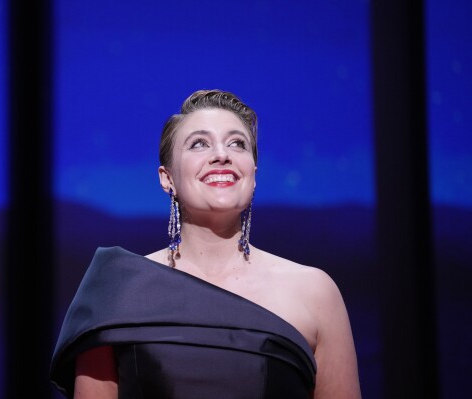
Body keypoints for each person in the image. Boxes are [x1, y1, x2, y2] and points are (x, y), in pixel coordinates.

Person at [50, 89, 361, 398]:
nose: (221, 154)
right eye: (199, 143)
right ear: (166, 177)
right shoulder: (118, 290)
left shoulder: (314, 292)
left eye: (237, 143)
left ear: (253, 174)